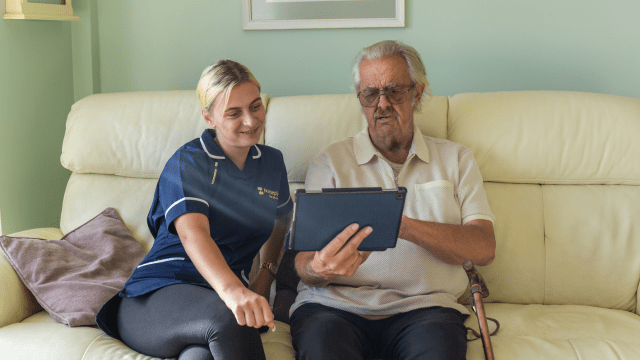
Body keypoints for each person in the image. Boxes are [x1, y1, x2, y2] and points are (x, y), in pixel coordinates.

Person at [288, 40, 496, 360]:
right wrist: (319, 267)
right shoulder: (330, 162)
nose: (381, 104)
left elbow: (483, 247)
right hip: (334, 309)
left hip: (426, 309)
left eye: (395, 91)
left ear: (417, 93)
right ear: (361, 101)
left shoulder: (456, 160)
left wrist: (402, 225)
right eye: (370, 94)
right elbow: (303, 265)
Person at [95, 60, 293, 360]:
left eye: (255, 107)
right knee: (230, 319)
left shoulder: (271, 162)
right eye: (233, 113)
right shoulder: (188, 162)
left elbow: (281, 217)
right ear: (209, 117)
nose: (251, 121)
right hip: (157, 296)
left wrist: (263, 279)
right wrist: (233, 292)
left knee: (199, 357)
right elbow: (193, 234)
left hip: (215, 304)